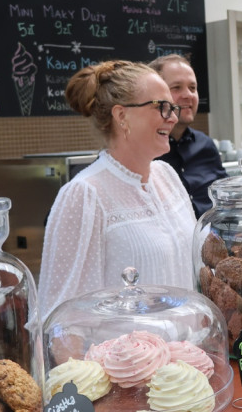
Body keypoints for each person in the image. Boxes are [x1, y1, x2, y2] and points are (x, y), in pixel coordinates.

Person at [38, 60, 196, 314]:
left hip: (187, 350)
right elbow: (60, 312)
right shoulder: (85, 194)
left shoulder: (167, 176)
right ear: (121, 115)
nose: (174, 117)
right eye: (162, 107)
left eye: (173, 108)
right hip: (124, 352)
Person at [149, 54, 227, 217]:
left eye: (192, 88)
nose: (188, 95)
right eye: (176, 87)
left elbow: (226, 199)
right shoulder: (143, 149)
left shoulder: (206, 145)